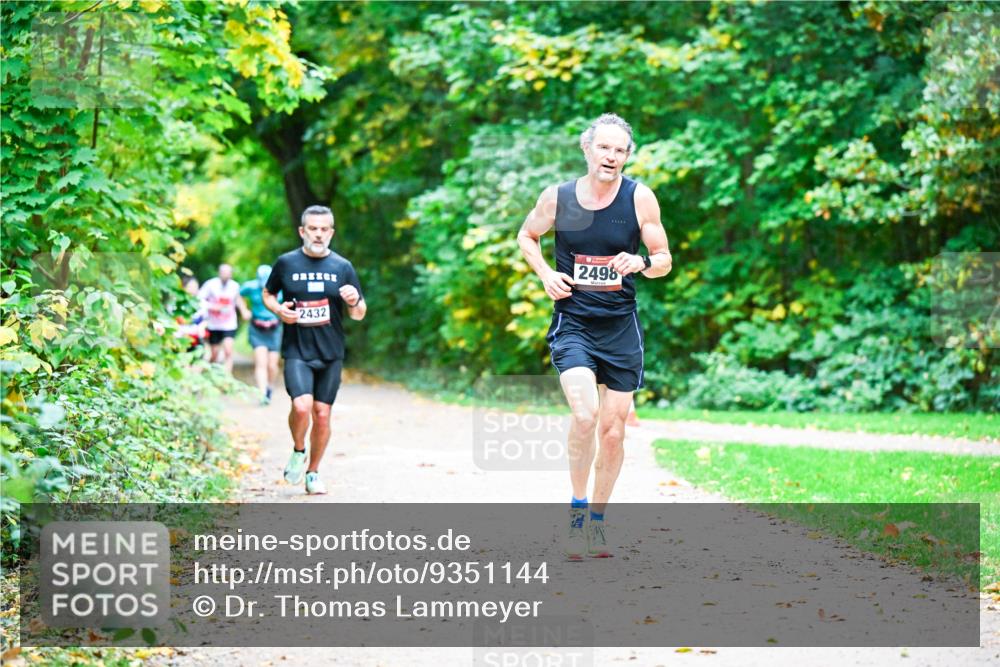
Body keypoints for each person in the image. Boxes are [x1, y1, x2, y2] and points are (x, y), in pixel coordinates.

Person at [517, 113, 672, 559]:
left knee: (613, 431)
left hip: (621, 327)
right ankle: (577, 510)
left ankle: (599, 522)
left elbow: (663, 259)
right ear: (587, 149)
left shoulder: (640, 198)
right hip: (575, 323)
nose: (612, 157)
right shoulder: (559, 197)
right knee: (585, 415)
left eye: (620, 150)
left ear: (627, 156)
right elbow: (527, 236)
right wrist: (546, 272)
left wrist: (641, 262)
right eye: (604, 147)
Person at [263, 205, 366, 495]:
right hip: (297, 349)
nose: (318, 234)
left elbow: (359, 313)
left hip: (331, 352)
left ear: (331, 233)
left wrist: (354, 300)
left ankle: (313, 472)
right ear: (302, 231)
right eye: (313, 229)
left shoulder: (342, 267)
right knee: (301, 406)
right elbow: (268, 293)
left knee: (322, 413)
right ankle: (298, 450)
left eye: (324, 229)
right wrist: (278, 310)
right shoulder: (286, 263)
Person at [240, 265, 282, 405]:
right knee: (261, 362)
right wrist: (244, 310)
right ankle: (262, 393)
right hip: (257, 329)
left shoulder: (280, 288)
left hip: (274, 329)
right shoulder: (250, 287)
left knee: (272, 365)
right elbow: (238, 295)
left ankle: (270, 387)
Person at [199, 263, 250, 375]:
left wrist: (244, 311)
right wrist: (212, 306)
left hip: (229, 323)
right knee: (214, 353)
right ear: (219, 273)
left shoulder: (234, 286)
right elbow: (199, 299)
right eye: (223, 272)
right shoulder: (210, 285)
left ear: (231, 274)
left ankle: (227, 378)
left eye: (228, 273)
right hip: (214, 324)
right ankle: (209, 373)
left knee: (228, 350)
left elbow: (238, 300)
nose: (225, 275)